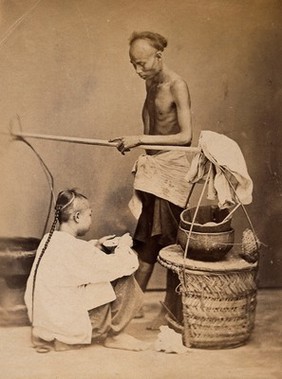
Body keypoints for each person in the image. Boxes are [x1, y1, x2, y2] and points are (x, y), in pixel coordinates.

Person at [110, 31, 193, 329]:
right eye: (133, 63)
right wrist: (133, 143)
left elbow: (186, 136)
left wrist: (139, 138)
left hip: (171, 172)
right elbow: (153, 131)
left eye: (142, 63)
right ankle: (129, 307)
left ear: (159, 55)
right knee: (145, 241)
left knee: (169, 246)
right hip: (153, 171)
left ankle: (172, 313)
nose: (138, 70)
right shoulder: (150, 82)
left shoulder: (177, 85)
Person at [24, 189, 148, 352]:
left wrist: (95, 246)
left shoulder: (49, 239)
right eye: (89, 215)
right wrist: (124, 246)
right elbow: (121, 265)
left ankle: (60, 338)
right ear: (77, 217)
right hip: (67, 325)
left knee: (99, 276)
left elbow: (76, 261)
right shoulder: (78, 250)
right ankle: (115, 336)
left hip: (44, 324)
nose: (91, 219)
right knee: (125, 276)